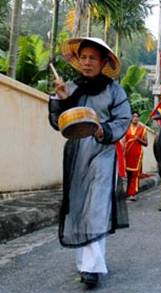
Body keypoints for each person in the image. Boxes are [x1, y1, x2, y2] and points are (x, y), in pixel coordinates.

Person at [48, 37, 131, 288]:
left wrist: (101, 131)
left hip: (103, 152)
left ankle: (92, 268)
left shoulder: (115, 90)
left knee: (97, 206)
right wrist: (61, 99)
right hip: (75, 154)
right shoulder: (70, 87)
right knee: (79, 205)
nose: (86, 62)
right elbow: (57, 121)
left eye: (92, 58)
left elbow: (123, 120)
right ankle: (85, 262)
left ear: (104, 62)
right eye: (83, 57)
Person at [123, 111, 148, 200]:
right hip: (128, 153)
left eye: (137, 116)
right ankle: (128, 192)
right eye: (133, 116)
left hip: (137, 154)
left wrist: (139, 139)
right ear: (131, 117)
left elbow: (146, 143)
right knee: (128, 174)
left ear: (139, 118)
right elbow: (123, 141)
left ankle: (133, 193)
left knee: (134, 174)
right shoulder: (127, 128)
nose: (135, 118)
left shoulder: (142, 129)